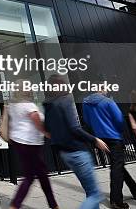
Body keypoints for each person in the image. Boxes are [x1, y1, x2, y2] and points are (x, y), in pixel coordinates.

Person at [44, 74, 109, 209]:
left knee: (90, 192)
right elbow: (74, 128)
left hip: (65, 153)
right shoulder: (65, 100)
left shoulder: (48, 105)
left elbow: (47, 129)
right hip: (77, 151)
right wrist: (94, 139)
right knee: (95, 195)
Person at [83, 88, 136, 209]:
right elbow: (120, 120)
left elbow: (87, 121)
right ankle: (116, 201)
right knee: (117, 166)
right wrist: (118, 131)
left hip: (101, 139)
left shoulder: (86, 104)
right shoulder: (108, 102)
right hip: (114, 138)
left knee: (118, 165)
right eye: (104, 88)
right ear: (101, 89)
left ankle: (135, 190)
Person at [7, 80, 58, 209]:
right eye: (27, 87)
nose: (30, 89)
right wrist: (46, 132)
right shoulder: (28, 104)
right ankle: (15, 205)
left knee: (40, 175)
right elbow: (35, 118)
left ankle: (53, 204)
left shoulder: (13, 105)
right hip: (31, 143)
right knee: (31, 176)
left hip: (19, 142)